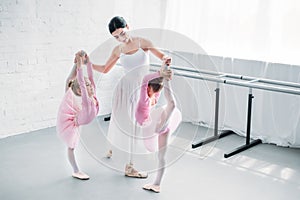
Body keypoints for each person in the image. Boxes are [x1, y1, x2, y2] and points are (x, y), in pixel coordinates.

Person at [85, 16, 171, 178]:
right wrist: (88, 63)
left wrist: (166, 59)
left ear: (128, 27)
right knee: (125, 122)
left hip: (140, 87)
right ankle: (128, 166)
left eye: (122, 33)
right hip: (125, 88)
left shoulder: (142, 42)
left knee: (135, 124)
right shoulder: (118, 50)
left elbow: (161, 55)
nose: (121, 38)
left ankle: (123, 154)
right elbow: (105, 69)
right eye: (116, 37)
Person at [135, 66, 182, 193]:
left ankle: (157, 184)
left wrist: (162, 74)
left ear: (149, 88)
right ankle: (156, 183)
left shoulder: (147, 99)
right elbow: (150, 83)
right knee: (161, 156)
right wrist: (163, 71)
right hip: (160, 128)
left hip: (155, 127)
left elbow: (145, 80)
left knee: (171, 105)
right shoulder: (152, 98)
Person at [57, 51, 99, 180]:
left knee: (69, 81)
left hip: (79, 115)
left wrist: (88, 61)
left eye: (90, 85)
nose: (90, 86)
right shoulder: (85, 99)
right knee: (71, 146)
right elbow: (81, 81)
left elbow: (90, 78)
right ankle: (75, 170)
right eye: (87, 86)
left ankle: (75, 62)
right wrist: (80, 66)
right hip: (73, 120)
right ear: (82, 90)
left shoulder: (92, 93)